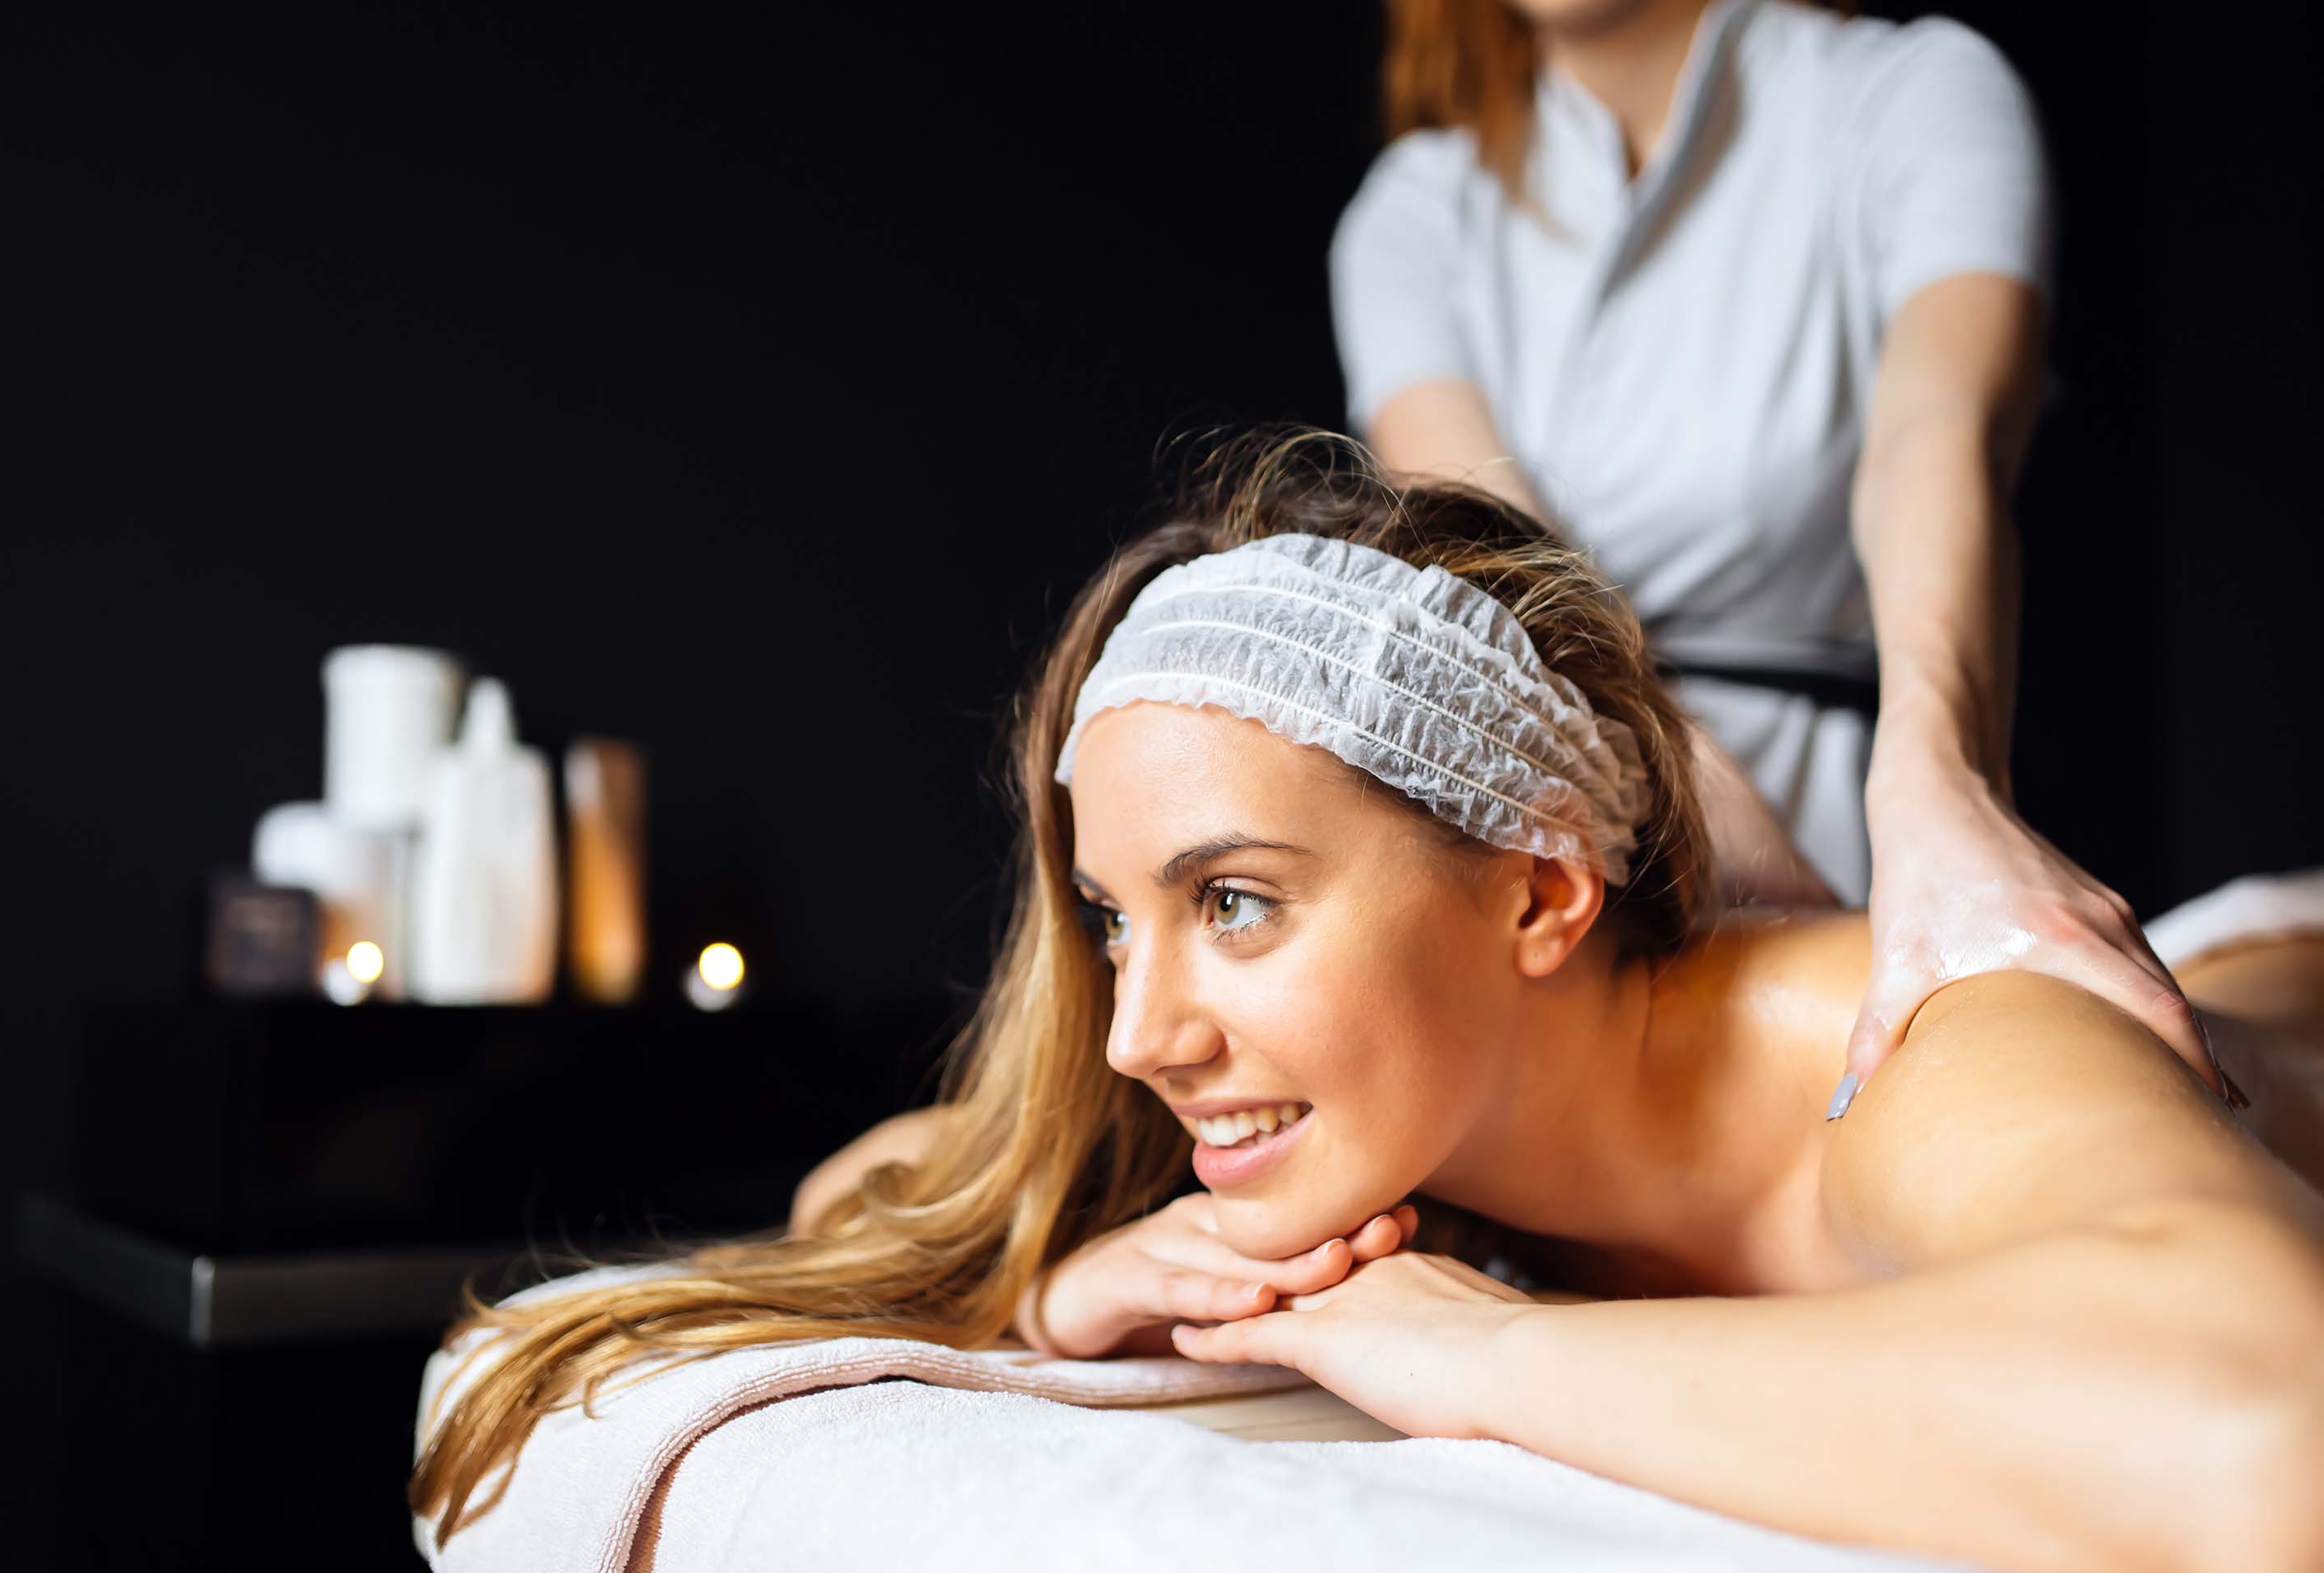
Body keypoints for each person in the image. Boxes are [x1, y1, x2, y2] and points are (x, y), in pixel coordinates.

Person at [409, 435, 2324, 1570]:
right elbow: (876, 1185)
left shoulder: (1926, 1059)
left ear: (1544, 886)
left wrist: (1483, 1359)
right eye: (1112, 918)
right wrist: (1064, 1280)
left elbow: (2268, 1429)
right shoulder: (1413, 1093)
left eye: (1234, 901)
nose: (1145, 1027)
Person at [1328, 0, 2226, 1119]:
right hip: (1563, 822)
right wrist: (1680, 785)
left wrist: (1940, 785)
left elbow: (1932, 436)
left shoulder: (1910, 93)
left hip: (1864, 805)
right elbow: (1504, 567)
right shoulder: (1414, 214)